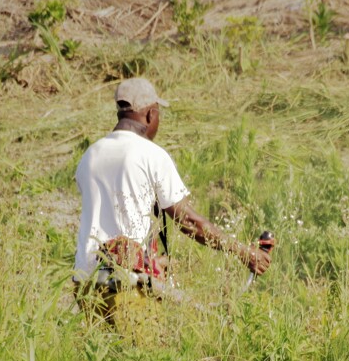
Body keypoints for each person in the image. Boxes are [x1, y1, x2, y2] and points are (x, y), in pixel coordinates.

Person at [73, 77, 272, 326]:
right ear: (150, 115)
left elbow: (108, 218)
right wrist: (244, 253)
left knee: (104, 360)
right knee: (141, 360)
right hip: (125, 283)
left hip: (85, 281)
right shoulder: (151, 154)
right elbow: (188, 220)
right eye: (157, 115)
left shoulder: (90, 155)